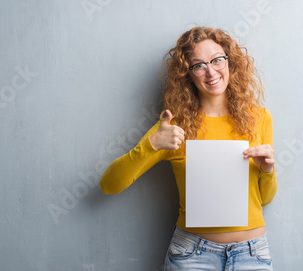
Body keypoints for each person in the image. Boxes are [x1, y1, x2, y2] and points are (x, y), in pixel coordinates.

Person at [99, 26, 277, 271]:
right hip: (193, 256)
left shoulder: (259, 118)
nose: (211, 71)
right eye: (199, 65)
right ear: (188, 74)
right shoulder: (173, 127)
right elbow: (109, 185)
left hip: (252, 253)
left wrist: (268, 171)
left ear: (230, 61)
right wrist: (151, 146)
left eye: (217, 60)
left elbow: (265, 199)